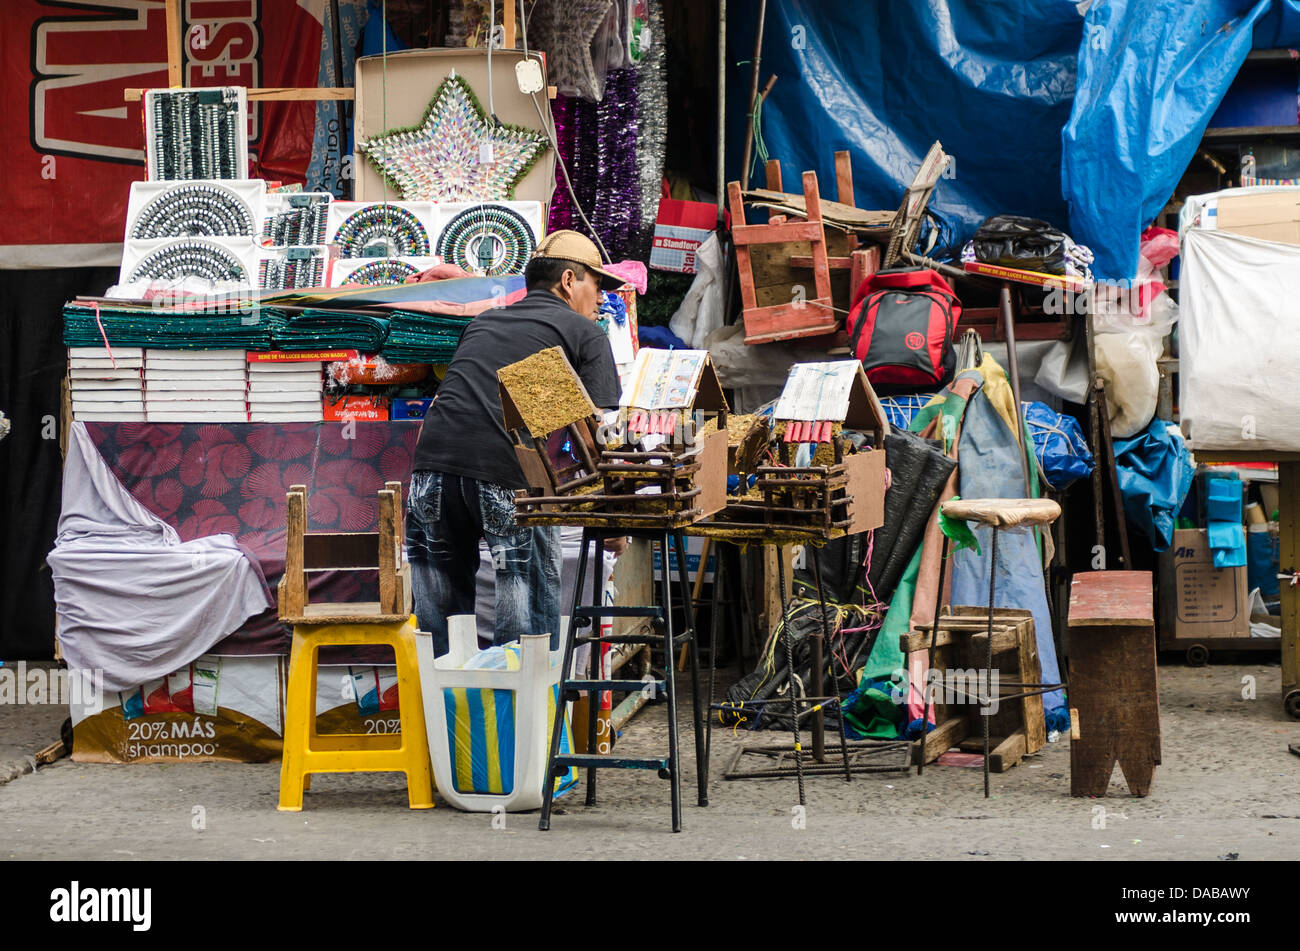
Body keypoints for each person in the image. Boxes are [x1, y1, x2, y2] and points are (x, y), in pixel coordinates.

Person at [407, 231, 625, 654]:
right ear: (568, 281)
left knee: (438, 630)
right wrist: (613, 523)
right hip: (506, 478)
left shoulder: (485, 322)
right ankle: (521, 721)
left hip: (430, 471)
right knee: (525, 633)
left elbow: (492, 402)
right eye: (596, 285)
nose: (601, 299)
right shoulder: (585, 333)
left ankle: (444, 718)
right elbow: (604, 439)